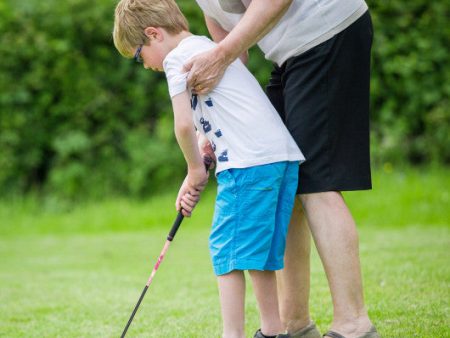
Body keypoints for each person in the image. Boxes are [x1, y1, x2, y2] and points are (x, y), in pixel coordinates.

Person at [183, 1, 380, 338]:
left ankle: (353, 325)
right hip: (290, 56)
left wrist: (222, 54)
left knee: (317, 182)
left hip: (327, 33)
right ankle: (294, 325)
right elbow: (234, 62)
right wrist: (209, 129)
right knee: (283, 178)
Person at [113, 1, 306, 337]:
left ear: (153, 34)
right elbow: (210, 121)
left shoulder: (175, 59)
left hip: (248, 164)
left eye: (138, 55)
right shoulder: (207, 47)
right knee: (257, 253)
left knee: (225, 249)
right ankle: (273, 330)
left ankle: (232, 334)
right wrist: (204, 152)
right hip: (280, 157)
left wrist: (193, 171)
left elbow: (183, 126)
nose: (144, 65)